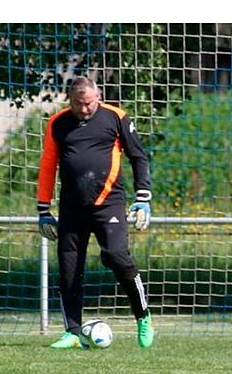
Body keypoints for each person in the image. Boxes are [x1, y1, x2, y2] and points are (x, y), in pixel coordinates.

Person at [36, 76, 155, 349]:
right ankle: (73, 332)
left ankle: (143, 316)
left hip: (109, 203)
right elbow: (48, 165)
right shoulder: (58, 123)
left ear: (98, 97)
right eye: (78, 103)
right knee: (68, 269)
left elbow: (138, 156)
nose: (84, 108)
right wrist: (43, 209)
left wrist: (143, 197)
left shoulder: (117, 118)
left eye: (88, 103)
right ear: (70, 100)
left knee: (115, 256)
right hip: (71, 207)